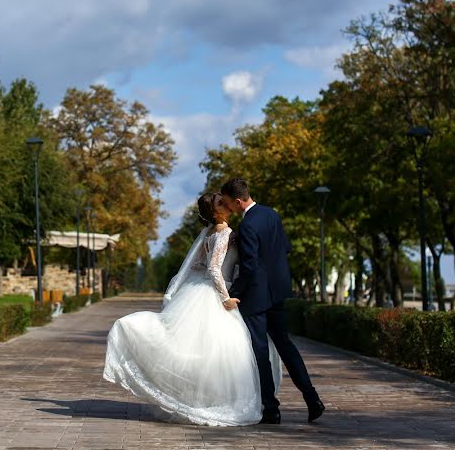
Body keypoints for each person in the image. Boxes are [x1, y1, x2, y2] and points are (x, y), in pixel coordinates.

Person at [103, 192, 280, 426]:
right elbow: (214, 269)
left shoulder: (210, 234)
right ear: (217, 211)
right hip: (216, 295)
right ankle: (212, 402)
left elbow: (199, 265)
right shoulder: (224, 233)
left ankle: (198, 400)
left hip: (201, 290)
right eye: (221, 202)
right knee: (221, 353)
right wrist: (226, 297)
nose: (226, 203)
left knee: (205, 351)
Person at [220, 178, 325, 425]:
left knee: (260, 352)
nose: (228, 208)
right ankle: (313, 399)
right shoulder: (271, 214)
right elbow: (284, 248)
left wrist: (232, 293)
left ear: (237, 201)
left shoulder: (246, 227)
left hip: (256, 296)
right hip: (278, 291)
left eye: (228, 203)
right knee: (286, 346)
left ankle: (271, 409)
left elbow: (248, 266)